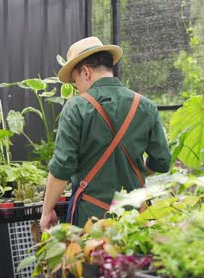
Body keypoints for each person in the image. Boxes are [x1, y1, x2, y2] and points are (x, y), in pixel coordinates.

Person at [39, 36, 171, 231]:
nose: (78, 90)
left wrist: (47, 211)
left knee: (93, 259)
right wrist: (132, 169)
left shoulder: (76, 108)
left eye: (75, 82)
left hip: (91, 218)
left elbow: (62, 168)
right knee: (132, 262)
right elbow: (162, 161)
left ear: (85, 72)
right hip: (135, 216)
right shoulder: (145, 106)